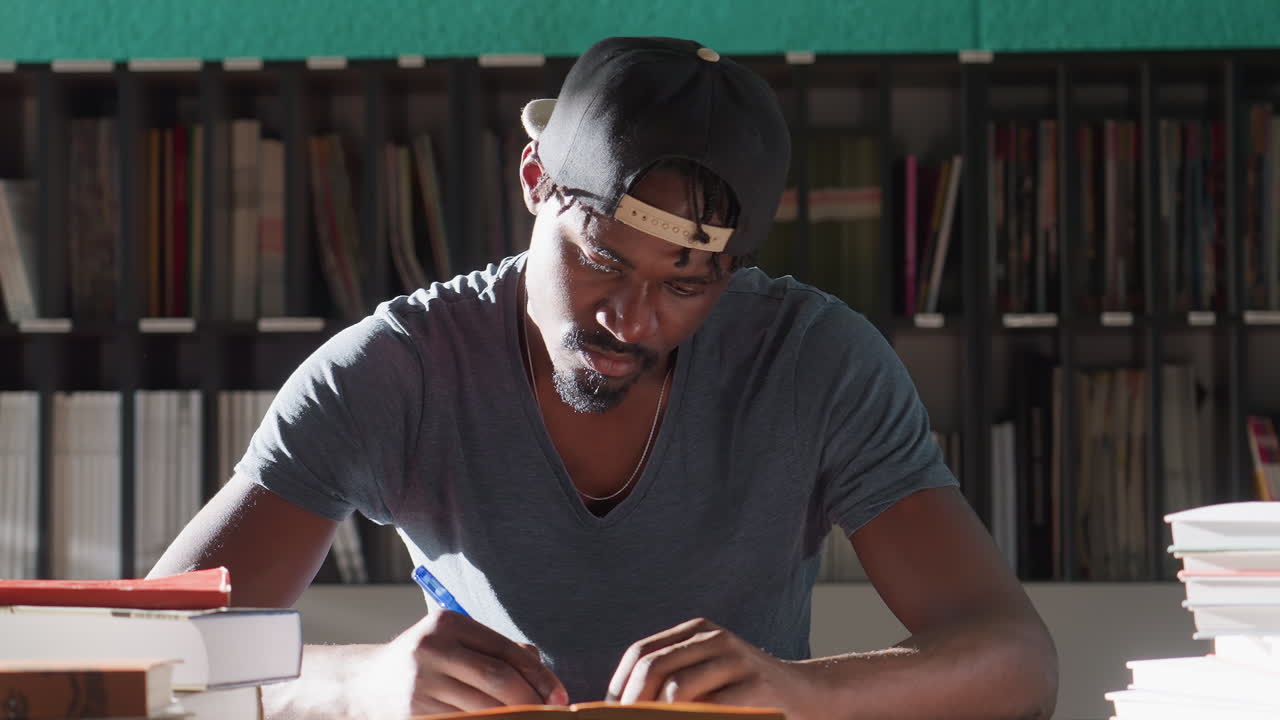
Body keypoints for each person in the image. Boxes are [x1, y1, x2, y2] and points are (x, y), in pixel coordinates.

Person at [150, 36, 1057, 719]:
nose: (631, 318)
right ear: (535, 179)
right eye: (600, 260)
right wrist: (361, 683)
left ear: (731, 275)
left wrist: (797, 693)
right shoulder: (394, 372)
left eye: (684, 285)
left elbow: (1020, 662)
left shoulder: (815, 364)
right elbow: (145, 660)